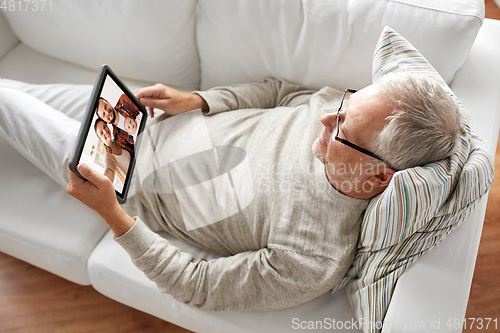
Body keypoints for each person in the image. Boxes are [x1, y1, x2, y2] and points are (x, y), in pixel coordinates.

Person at [0, 73, 464, 312]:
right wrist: (198, 100)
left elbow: (197, 285)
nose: (327, 117)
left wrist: (112, 214)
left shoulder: (313, 259)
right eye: (345, 104)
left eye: (344, 128)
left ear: (381, 176)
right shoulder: (344, 111)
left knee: (5, 101)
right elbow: (282, 92)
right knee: (13, 91)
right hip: (142, 117)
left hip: (126, 176)